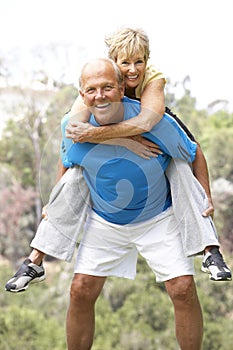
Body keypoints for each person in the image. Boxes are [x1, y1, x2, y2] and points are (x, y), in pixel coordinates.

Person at [5, 28, 231, 293]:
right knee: (76, 173)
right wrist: (55, 198)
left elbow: (149, 122)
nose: (133, 69)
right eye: (125, 63)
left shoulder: (153, 79)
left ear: (147, 60)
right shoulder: (99, 87)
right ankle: (35, 261)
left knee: (180, 165)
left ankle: (210, 251)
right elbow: (72, 138)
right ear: (113, 62)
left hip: (151, 132)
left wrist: (207, 196)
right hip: (116, 139)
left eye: (139, 61)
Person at [63, 57, 204, 350]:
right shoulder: (73, 126)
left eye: (107, 87)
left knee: (183, 289)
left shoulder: (156, 121)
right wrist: (52, 202)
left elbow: (193, 152)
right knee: (80, 290)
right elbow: (66, 161)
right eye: (91, 89)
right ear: (82, 94)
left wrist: (207, 198)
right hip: (105, 220)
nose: (99, 95)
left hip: (157, 216)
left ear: (121, 87)